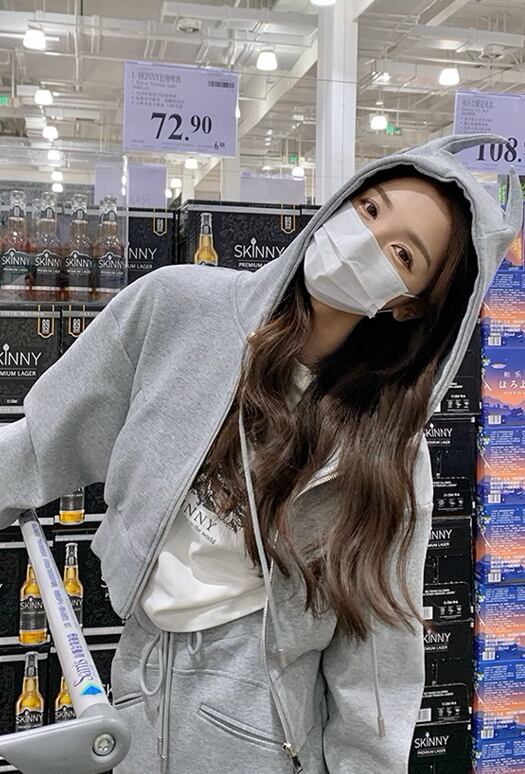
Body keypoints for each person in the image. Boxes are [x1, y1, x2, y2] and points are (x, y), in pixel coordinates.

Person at [0, 133, 520, 774]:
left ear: (409, 305)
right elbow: (40, 446)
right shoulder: (175, 307)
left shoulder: (385, 451)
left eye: (402, 253)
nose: (366, 239)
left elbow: (378, 664)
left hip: (268, 729)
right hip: (137, 691)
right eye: (370, 208)